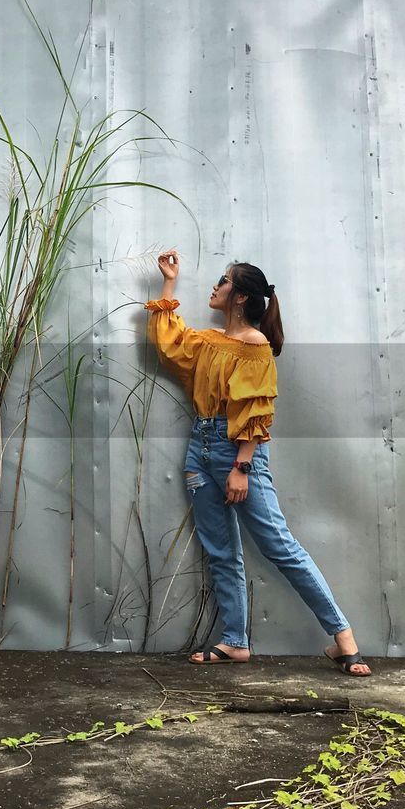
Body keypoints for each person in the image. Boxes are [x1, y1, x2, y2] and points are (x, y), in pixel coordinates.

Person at [146, 249, 371, 676]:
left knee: (279, 546)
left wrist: (242, 466)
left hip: (236, 451)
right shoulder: (210, 342)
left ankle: (343, 637)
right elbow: (168, 343)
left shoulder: (256, 347)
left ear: (241, 298)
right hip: (200, 449)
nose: (215, 286)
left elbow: (257, 411)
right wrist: (168, 282)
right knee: (221, 551)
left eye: (223, 281)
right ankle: (235, 642)